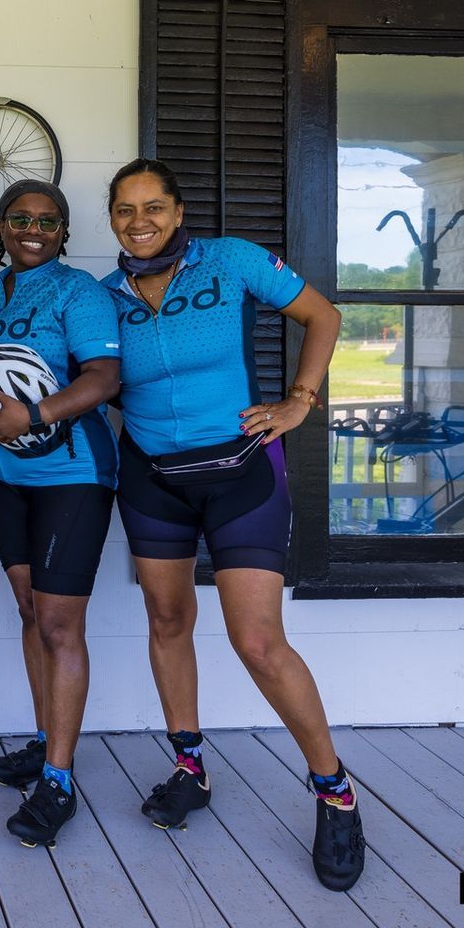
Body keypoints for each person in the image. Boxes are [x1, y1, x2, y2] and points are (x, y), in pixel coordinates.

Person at [102, 157, 362, 891]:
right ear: (112, 217)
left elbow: (323, 314)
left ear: (179, 210)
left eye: (154, 205)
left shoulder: (233, 260)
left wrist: (299, 401)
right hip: (153, 480)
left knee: (256, 639)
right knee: (166, 619)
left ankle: (334, 791)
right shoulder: (104, 296)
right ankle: (190, 767)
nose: (140, 219)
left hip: (242, 472)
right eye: (125, 208)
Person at [0, 179, 122, 848]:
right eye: (20, 217)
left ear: (64, 230)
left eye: (48, 220)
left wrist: (36, 414)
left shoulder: (78, 291)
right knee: (31, 610)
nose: (34, 228)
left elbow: (104, 378)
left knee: (59, 622)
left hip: (73, 475)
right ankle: (43, 737)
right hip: (5, 478)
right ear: (1, 226)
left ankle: (58, 778)